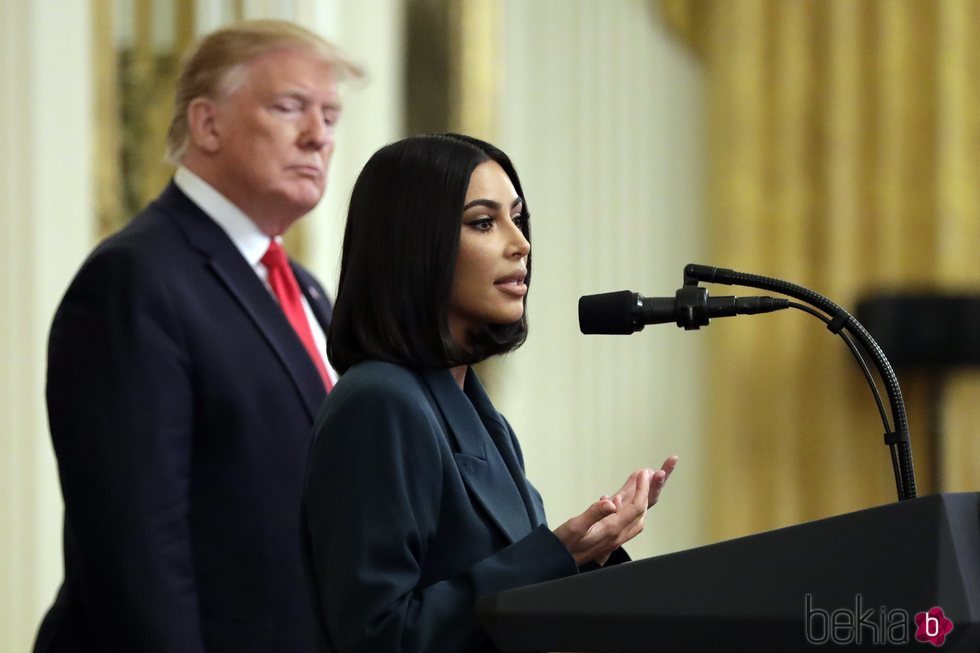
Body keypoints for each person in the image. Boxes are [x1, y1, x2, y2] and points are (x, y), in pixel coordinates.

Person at [34, 20, 361, 653]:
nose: (318, 136)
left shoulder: (306, 291)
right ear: (207, 125)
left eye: (330, 116)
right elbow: (134, 546)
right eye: (290, 107)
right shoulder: (135, 280)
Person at [303, 133, 679, 652]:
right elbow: (378, 636)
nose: (520, 243)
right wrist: (556, 553)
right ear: (415, 244)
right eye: (484, 222)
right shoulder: (379, 402)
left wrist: (590, 550)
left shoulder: (473, 409)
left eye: (517, 218)